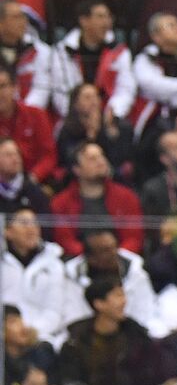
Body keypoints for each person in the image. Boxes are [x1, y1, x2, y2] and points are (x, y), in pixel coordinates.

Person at [57, 277, 165, 385]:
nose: (124, 301)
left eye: (123, 295)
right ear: (99, 304)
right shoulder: (75, 343)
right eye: (117, 295)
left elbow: (146, 382)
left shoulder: (138, 339)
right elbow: (71, 384)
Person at [49, 141, 144, 257]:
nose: (101, 161)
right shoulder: (61, 204)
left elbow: (133, 238)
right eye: (92, 159)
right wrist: (91, 259)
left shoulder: (126, 197)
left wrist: (116, 257)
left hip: (121, 262)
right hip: (78, 263)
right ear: (76, 169)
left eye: (102, 156)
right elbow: (65, 241)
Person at [49, 0, 136, 122]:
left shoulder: (120, 52)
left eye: (109, 17)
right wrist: (83, 115)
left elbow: (126, 89)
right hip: (73, 117)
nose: (106, 23)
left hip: (108, 116)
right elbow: (60, 92)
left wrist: (113, 112)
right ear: (84, 21)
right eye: (100, 17)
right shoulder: (62, 51)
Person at [1, 207, 70, 346]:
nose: (31, 229)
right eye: (24, 223)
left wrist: (34, 331)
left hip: (42, 338)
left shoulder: (54, 264)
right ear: (7, 231)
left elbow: (54, 309)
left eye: (34, 223)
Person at [0, 62, 55, 184]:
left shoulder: (36, 114)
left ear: (15, 87)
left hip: (34, 179)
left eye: (2, 86)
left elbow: (49, 156)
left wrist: (32, 179)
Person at [0, 0, 52, 110]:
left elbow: (41, 89)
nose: (23, 22)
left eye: (23, 17)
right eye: (16, 17)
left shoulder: (39, 51)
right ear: (1, 23)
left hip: (30, 116)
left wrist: (22, 112)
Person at [0, 136, 49, 216]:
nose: (15, 159)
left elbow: (46, 226)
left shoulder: (34, 192)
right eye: (8, 155)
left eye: (17, 153)